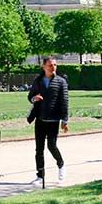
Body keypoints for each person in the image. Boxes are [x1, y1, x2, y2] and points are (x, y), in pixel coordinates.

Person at [28, 57, 69, 186]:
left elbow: (65, 101)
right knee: (39, 150)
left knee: (51, 146)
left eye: (55, 65)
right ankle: (40, 176)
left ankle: (61, 165)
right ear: (44, 67)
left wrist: (65, 120)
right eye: (50, 65)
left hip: (53, 120)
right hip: (40, 119)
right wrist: (34, 98)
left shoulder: (61, 82)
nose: (53, 67)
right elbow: (30, 96)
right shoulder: (38, 80)